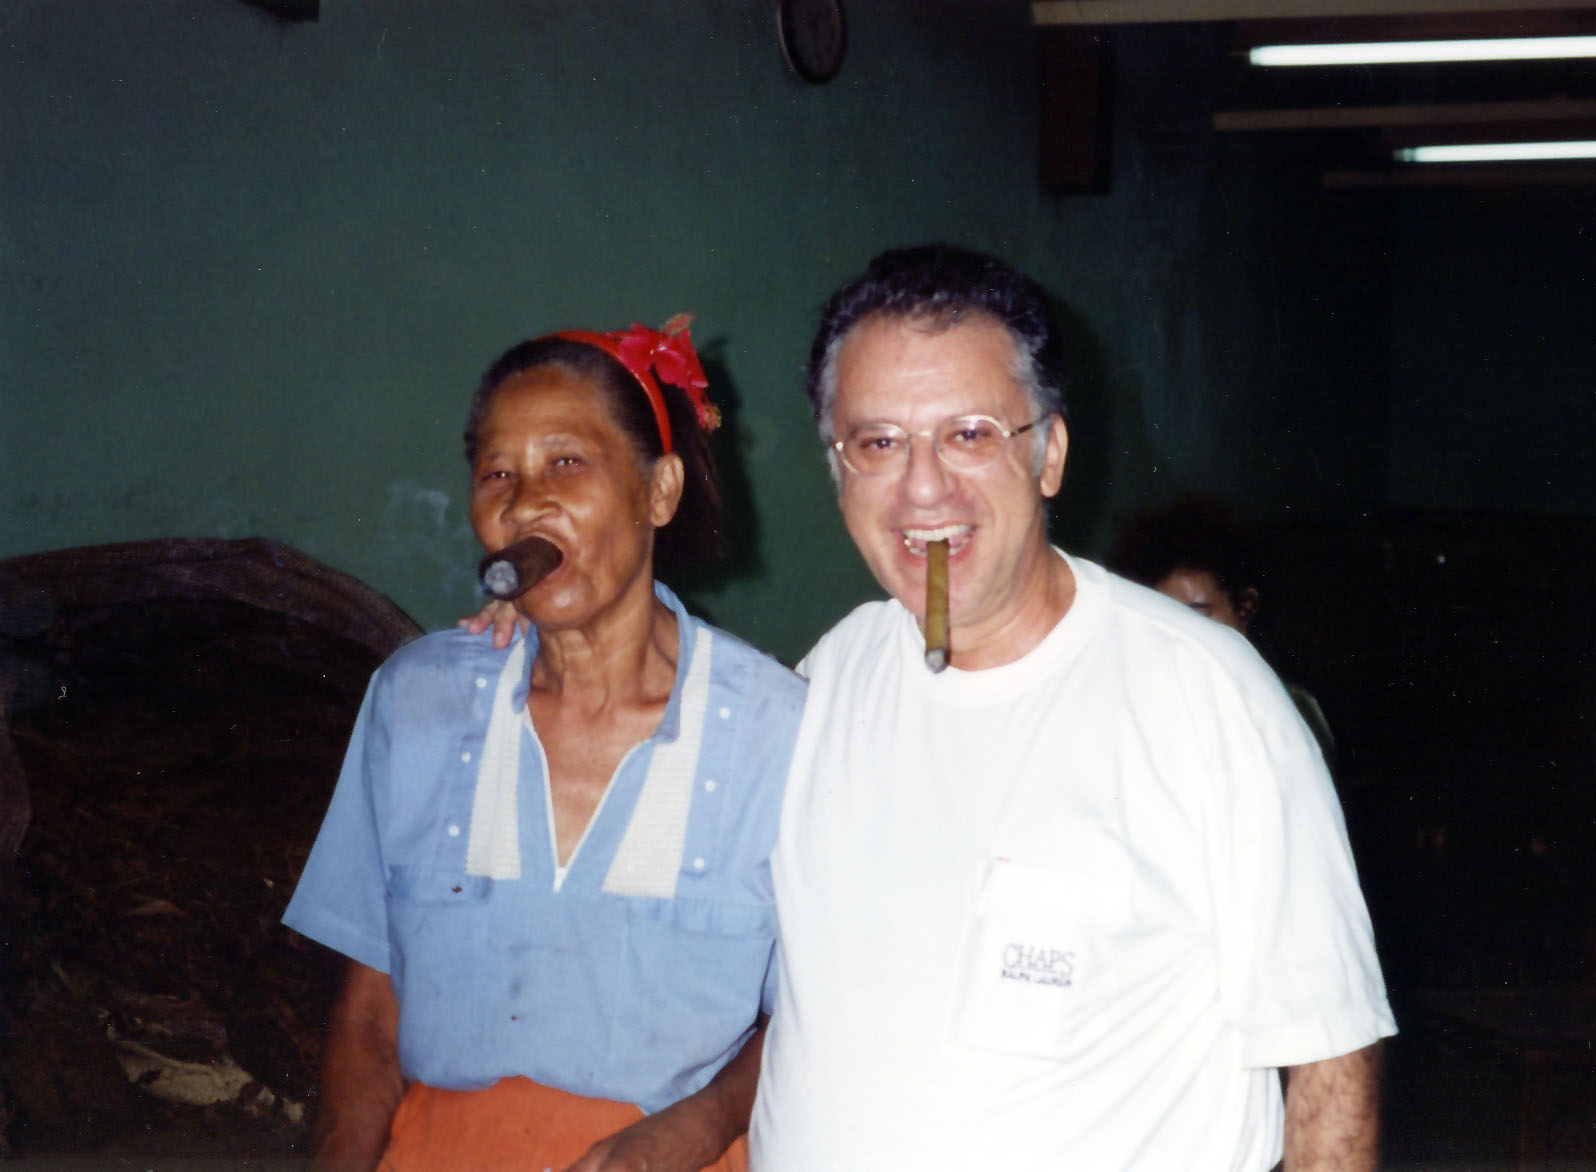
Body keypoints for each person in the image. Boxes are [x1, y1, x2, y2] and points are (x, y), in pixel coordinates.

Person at [747, 245, 1396, 1171]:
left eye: (969, 433)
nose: (922, 486)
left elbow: (1330, 1051)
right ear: (838, 470)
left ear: (1048, 451)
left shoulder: (1202, 695)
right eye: (878, 442)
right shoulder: (829, 676)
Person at [284, 319, 805, 1172]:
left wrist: (693, 1128)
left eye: (567, 462)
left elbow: (807, 1019)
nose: (524, 503)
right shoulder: (416, 702)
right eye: (497, 473)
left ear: (659, 491)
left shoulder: (775, 731)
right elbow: (370, 1012)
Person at [1108, 493, 1337, 759]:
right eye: (1168, 621)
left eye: (1200, 618)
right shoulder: (1156, 705)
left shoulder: (1289, 709)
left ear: (1245, 607)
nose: (1183, 637)